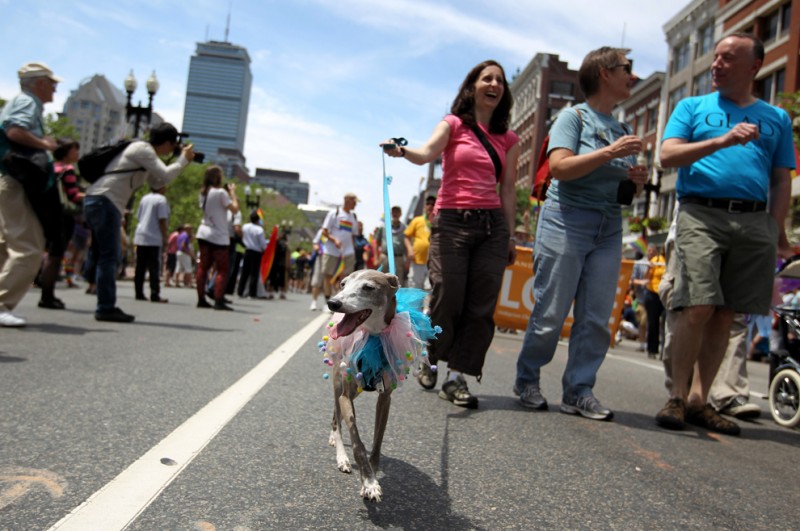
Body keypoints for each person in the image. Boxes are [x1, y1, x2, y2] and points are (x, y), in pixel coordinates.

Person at [654, 33, 795, 435]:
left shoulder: (776, 118)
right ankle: (677, 397)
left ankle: (700, 400)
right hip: (701, 213)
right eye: (715, 57)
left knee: (727, 312)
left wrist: (777, 230)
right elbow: (667, 156)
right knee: (697, 304)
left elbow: (781, 180)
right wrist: (722, 140)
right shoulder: (692, 107)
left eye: (728, 58)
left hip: (753, 222)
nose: (717, 64)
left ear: (753, 67)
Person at [512, 47, 647, 420]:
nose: (632, 76)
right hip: (566, 218)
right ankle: (527, 379)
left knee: (596, 316)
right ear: (604, 73)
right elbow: (560, 167)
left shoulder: (622, 129)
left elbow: (623, 190)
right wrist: (611, 153)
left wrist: (636, 181)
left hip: (609, 225)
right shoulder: (572, 118)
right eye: (626, 69)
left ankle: (579, 390)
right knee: (552, 311)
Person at [383, 59, 519, 408]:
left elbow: (507, 191)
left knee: (481, 304)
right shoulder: (454, 124)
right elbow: (427, 152)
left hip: (492, 227)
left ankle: (457, 377)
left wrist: (510, 236)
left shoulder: (509, 139)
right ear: (472, 86)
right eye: (486, 78)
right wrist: (401, 150)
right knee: (447, 294)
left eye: (499, 81)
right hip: (453, 221)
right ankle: (431, 354)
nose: (494, 84)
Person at [83, 123, 193, 322]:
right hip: (106, 201)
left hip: (99, 200)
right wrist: (182, 160)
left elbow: (158, 182)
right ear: (168, 143)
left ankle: (101, 298)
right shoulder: (143, 149)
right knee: (110, 256)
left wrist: (180, 162)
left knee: (103, 254)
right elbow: (166, 174)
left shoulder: (145, 155)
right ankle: (105, 307)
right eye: (172, 145)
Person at [0, 62, 60, 327]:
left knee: (6, 246)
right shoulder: (27, 102)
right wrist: (45, 144)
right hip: (14, 181)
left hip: (9, 181)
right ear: (39, 83)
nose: (55, 88)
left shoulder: (22, 102)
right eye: (52, 82)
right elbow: (14, 131)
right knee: (29, 247)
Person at [38, 137, 84, 309]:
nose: (77, 153)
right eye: (75, 150)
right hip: (64, 215)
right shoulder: (68, 170)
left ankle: (45, 290)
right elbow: (73, 195)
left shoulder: (51, 168)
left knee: (49, 251)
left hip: (48, 213)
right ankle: (47, 296)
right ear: (66, 152)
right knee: (56, 255)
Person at [195, 165, 239, 310]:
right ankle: (219, 300)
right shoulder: (220, 192)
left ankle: (201, 298)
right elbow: (234, 209)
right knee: (222, 269)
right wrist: (232, 193)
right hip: (218, 235)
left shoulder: (203, 192)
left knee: (203, 267)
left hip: (204, 232)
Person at [133, 185, 170, 303]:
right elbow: (162, 219)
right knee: (154, 267)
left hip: (140, 235)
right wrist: (165, 237)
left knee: (140, 266)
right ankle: (155, 293)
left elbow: (139, 216)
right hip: (153, 237)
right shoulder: (161, 200)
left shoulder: (144, 198)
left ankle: (138, 292)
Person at [320, 193, 359, 299]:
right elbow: (324, 231)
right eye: (354, 201)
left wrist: (353, 247)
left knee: (347, 277)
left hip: (348, 251)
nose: (355, 204)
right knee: (328, 275)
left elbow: (353, 235)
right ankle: (327, 299)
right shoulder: (334, 213)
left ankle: (340, 299)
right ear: (347, 200)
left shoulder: (353, 216)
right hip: (331, 250)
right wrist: (334, 240)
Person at [404, 195, 435, 290]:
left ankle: (427, 305)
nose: (430, 206)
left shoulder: (439, 222)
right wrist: (410, 250)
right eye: (428, 203)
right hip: (418, 260)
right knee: (415, 289)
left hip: (433, 263)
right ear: (424, 206)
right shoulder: (417, 220)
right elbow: (406, 237)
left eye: (433, 204)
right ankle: (415, 306)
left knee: (429, 289)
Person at [640, 244, 666, 358]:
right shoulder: (656, 260)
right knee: (653, 323)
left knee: (666, 323)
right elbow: (646, 278)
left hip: (665, 295)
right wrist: (649, 268)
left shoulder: (671, 260)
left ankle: (665, 351)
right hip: (653, 295)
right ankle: (652, 350)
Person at [237, 210, 267, 299]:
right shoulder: (259, 229)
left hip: (247, 250)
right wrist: (263, 249)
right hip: (256, 252)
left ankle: (240, 291)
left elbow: (242, 236)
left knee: (244, 272)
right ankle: (251, 293)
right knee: (254, 273)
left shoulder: (245, 227)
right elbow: (262, 243)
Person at [377, 205, 408, 285]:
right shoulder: (383, 227)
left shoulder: (405, 228)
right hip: (385, 257)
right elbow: (376, 241)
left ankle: (396, 297)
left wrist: (407, 261)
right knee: (382, 281)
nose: (395, 213)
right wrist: (376, 257)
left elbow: (407, 244)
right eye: (393, 211)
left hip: (398, 258)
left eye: (397, 212)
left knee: (398, 282)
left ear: (400, 214)